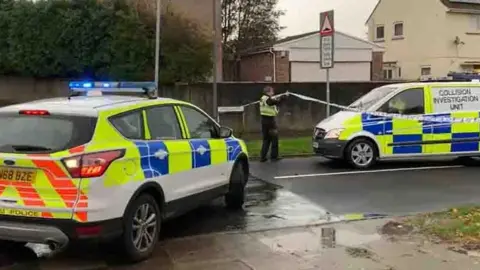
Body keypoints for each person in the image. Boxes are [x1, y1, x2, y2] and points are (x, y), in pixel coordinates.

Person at [259, 85, 288, 162]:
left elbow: (273, 101)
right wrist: (284, 97)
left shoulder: (263, 98)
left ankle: (263, 157)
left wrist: (281, 97)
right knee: (274, 139)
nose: (273, 92)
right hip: (270, 121)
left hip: (264, 121)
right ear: (267, 92)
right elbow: (273, 102)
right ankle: (274, 157)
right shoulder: (266, 99)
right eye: (272, 91)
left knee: (266, 140)